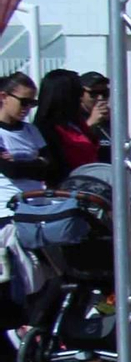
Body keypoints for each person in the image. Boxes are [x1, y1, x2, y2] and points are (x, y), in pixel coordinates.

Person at [0, 73, 55, 330]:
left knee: (56, 270)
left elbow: (49, 167)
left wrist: (25, 163)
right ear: (3, 97)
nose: (27, 109)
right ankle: (25, 327)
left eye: (32, 104)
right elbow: (10, 171)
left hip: (40, 210)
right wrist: (33, 164)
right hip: (8, 215)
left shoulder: (31, 130)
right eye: (23, 102)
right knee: (27, 272)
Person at [32, 70, 102, 176]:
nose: (80, 98)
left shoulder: (76, 122)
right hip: (66, 185)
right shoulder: (46, 128)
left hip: (89, 180)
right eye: (77, 92)